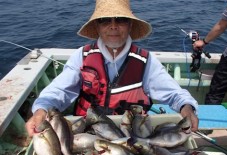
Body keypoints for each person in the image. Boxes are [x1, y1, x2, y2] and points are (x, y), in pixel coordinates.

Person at [25, 0, 198, 136]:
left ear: (130, 25)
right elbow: (59, 91)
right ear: (97, 27)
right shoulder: (82, 56)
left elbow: (174, 93)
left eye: (121, 20)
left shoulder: (145, 61)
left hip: (132, 135)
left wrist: (186, 108)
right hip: (88, 131)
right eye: (105, 20)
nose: (113, 25)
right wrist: (41, 110)